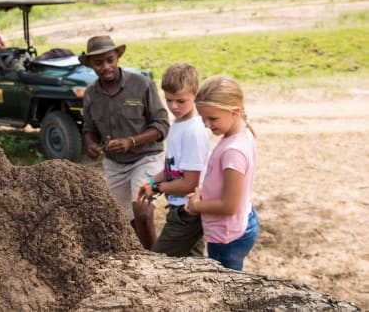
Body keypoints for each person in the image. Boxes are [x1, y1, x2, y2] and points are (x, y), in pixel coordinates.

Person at [80, 35, 170, 249]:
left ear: (117, 57)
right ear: (91, 65)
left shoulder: (141, 85)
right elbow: (88, 129)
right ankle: (139, 255)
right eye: (98, 63)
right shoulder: (91, 94)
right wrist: (90, 144)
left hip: (146, 158)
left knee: (143, 212)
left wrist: (131, 141)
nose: (105, 67)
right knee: (122, 219)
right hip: (115, 165)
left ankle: (154, 262)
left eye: (109, 60)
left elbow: (162, 125)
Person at [185, 74, 259, 271]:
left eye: (212, 118)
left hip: (227, 237)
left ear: (235, 112)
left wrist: (197, 205)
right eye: (203, 118)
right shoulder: (241, 133)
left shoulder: (233, 151)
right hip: (239, 223)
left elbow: (229, 206)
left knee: (228, 285)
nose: (206, 125)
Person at [136, 63, 211, 257]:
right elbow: (172, 170)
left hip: (187, 212)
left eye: (180, 101)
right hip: (179, 207)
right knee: (192, 263)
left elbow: (189, 183)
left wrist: (157, 188)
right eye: (168, 100)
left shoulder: (193, 131)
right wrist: (152, 181)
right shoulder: (178, 123)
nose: (174, 107)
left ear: (195, 94)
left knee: (159, 259)